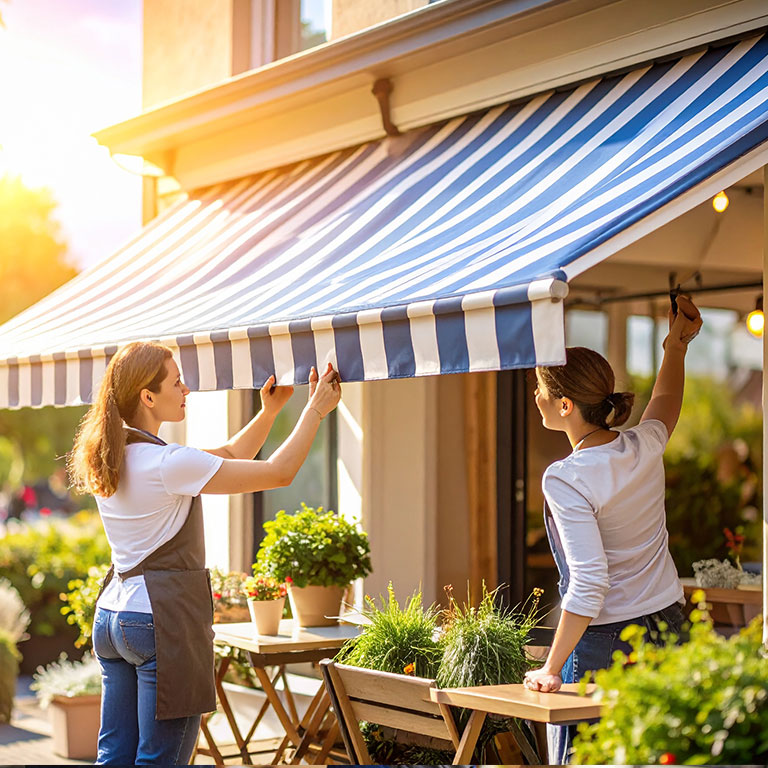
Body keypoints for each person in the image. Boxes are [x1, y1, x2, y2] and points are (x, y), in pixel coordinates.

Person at [68, 341, 341, 766]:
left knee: (115, 756)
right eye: (176, 382)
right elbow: (279, 473)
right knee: (160, 760)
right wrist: (315, 410)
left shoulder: (113, 455)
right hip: (160, 620)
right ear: (147, 396)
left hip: (113, 619)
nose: (186, 389)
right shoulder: (166, 463)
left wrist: (269, 412)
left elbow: (232, 455)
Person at [522, 295, 703, 765]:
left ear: (564, 405)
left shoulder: (567, 476)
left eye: (540, 390)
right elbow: (665, 402)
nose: (534, 397)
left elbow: (589, 580)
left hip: (609, 646)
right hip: (670, 627)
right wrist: (675, 347)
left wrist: (551, 667)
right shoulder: (643, 445)